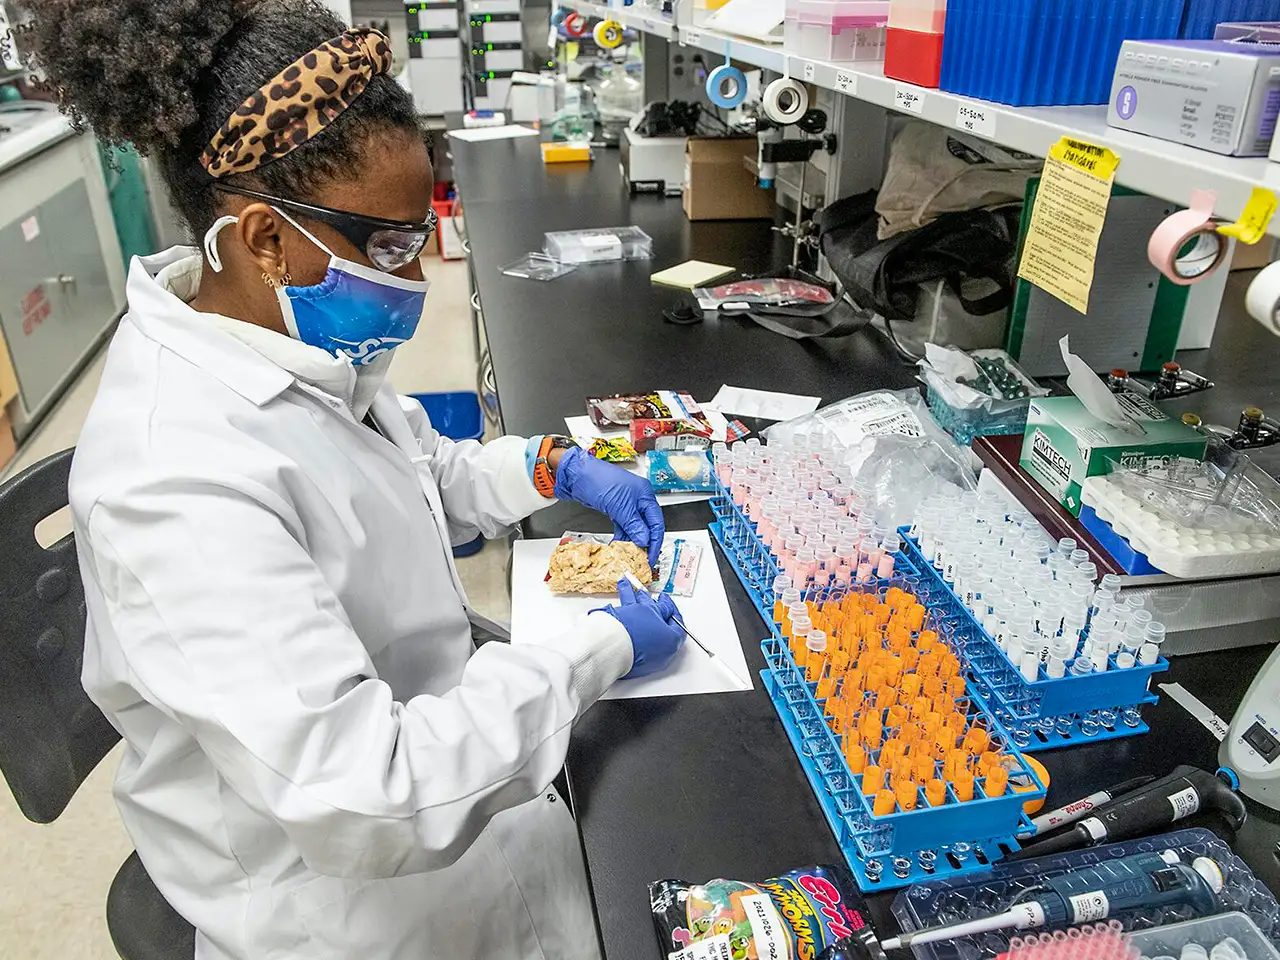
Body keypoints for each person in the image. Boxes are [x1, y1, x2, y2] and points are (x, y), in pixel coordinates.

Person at [16, 2, 688, 958]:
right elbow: (368, 799)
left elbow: (412, 469)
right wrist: (595, 653)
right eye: (386, 245)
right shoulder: (174, 482)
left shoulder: (276, 337)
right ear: (262, 238)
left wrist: (548, 465)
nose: (413, 274)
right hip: (345, 907)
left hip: (457, 791)